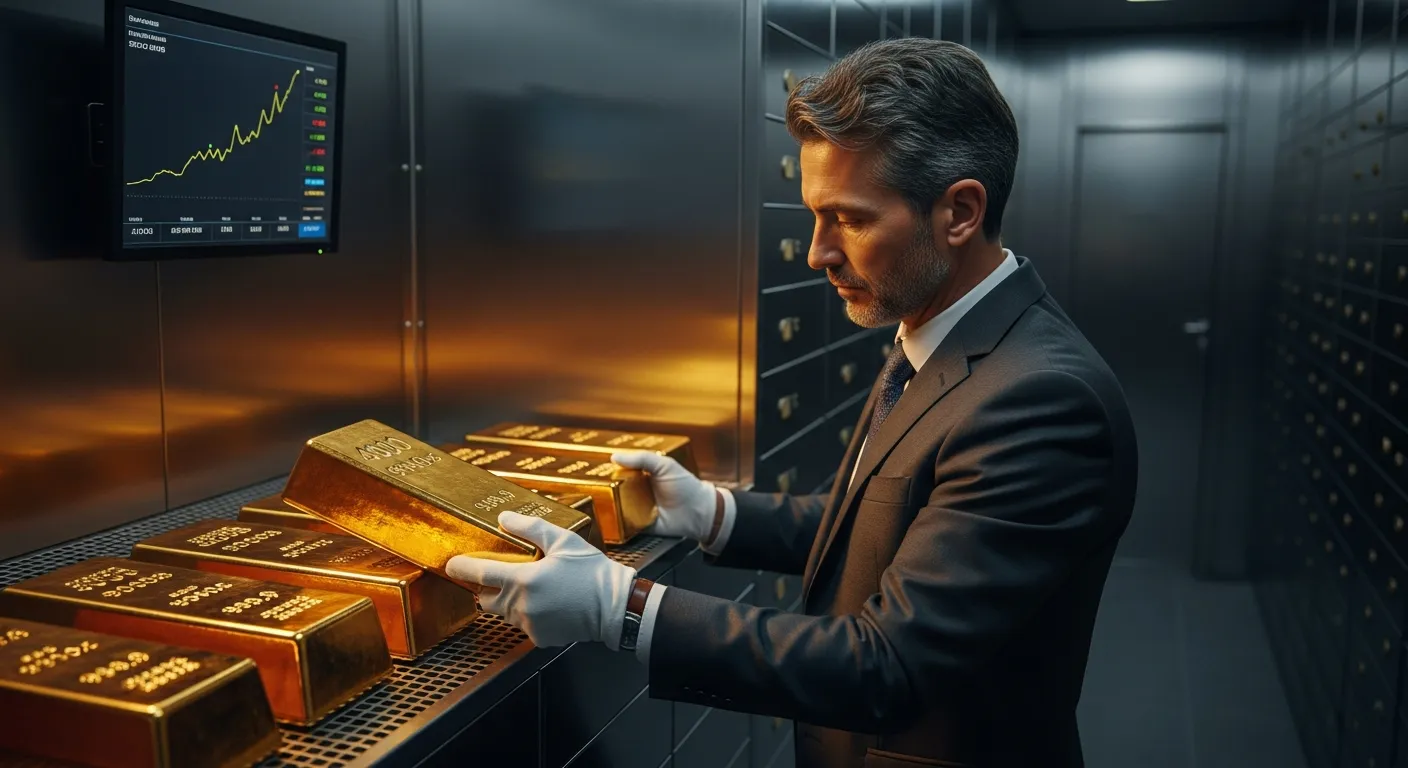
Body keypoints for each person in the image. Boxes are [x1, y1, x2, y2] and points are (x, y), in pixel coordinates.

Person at [448, 37, 1138, 768]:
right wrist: (714, 513)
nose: (817, 253)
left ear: (960, 212)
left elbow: (887, 666)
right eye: (815, 216)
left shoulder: (1041, 401)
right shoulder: (939, 333)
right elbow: (879, 524)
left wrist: (622, 608)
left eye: (850, 219)